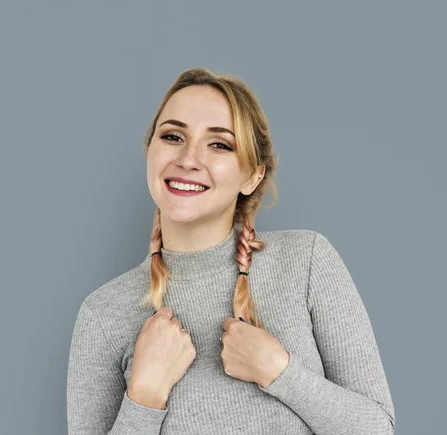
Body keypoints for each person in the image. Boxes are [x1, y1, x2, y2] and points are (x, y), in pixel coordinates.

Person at [67, 67, 395, 434]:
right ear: (150, 153)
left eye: (219, 144)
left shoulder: (306, 262)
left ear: (252, 176)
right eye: (173, 136)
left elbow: (377, 428)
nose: (188, 159)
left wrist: (280, 372)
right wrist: (144, 396)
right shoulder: (103, 315)